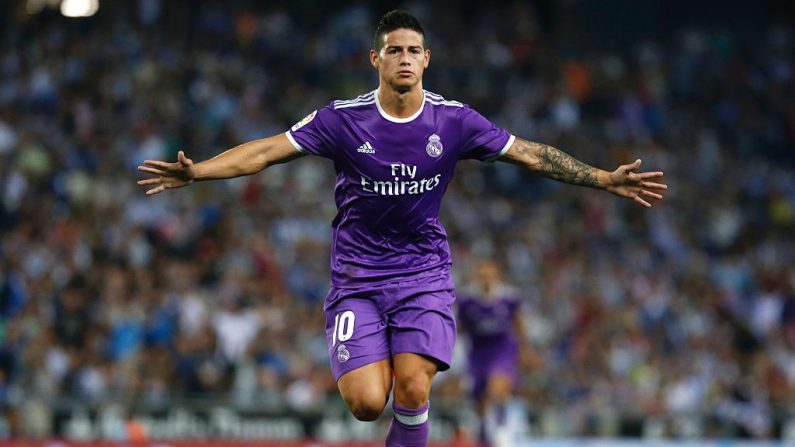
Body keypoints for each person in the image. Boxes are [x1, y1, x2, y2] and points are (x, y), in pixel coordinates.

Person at [137, 10, 667, 446]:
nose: (405, 58)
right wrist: (200, 170)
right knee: (368, 404)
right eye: (395, 49)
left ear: (427, 59)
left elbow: (528, 154)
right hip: (357, 279)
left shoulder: (453, 120)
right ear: (376, 59)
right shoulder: (342, 120)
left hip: (423, 274)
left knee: (413, 386)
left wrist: (602, 178)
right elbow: (268, 150)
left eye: (414, 50)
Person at [457, 260, 531, 447]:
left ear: (497, 276)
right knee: (479, 397)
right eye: (482, 276)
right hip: (477, 352)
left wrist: (524, 349)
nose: (486, 280)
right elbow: (459, 326)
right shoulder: (467, 300)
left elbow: (518, 323)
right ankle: (483, 435)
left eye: (489, 276)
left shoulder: (509, 298)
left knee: (497, 387)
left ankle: (502, 428)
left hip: (502, 348)